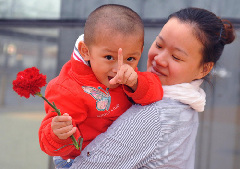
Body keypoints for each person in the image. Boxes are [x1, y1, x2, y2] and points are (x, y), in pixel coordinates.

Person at [69, 7, 236, 169]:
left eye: (176, 57)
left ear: (204, 69)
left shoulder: (155, 115)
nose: (159, 59)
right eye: (159, 45)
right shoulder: (188, 101)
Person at [38, 4, 163, 169]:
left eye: (131, 59)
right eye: (109, 57)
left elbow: (156, 92)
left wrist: (136, 83)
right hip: (77, 160)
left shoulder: (129, 74)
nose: (119, 68)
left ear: (139, 52)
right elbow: (49, 144)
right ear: (85, 51)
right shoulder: (68, 88)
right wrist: (58, 134)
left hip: (117, 155)